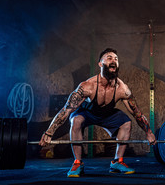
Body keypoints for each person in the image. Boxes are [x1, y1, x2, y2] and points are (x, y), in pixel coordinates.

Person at [39, 48, 156, 177]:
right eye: (109, 58)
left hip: (108, 115)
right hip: (87, 113)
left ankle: (117, 162)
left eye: (116, 59)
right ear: (100, 64)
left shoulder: (122, 89)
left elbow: (137, 113)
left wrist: (149, 132)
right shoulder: (87, 86)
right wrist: (49, 132)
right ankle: (78, 163)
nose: (113, 61)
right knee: (76, 120)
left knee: (126, 122)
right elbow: (66, 110)